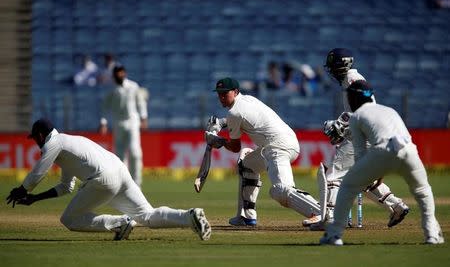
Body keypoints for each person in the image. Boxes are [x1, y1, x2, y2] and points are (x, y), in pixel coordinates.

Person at [6, 118, 211, 241]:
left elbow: (38, 172)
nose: (35, 143)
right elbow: (65, 187)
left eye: (34, 138)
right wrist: (34, 198)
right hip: (119, 171)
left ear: (41, 135)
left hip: (102, 179)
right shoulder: (66, 144)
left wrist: (23, 188)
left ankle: (120, 223)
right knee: (147, 215)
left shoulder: (55, 144)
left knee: (68, 219)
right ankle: (189, 216)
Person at [320, 81, 445, 245]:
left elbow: (360, 154)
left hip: (382, 151)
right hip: (409, 150)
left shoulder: (356, 117)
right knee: (422, 190)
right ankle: (432, 234)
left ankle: (334, 234)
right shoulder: (390, 110)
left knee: (347, 185)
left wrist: (369, 173)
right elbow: (403, 137)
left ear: (352, 99)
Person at [305, 48, 409, 230]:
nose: (330, 71)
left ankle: (330, 218)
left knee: (332, 176)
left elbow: (366, 108)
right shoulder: (349, 81)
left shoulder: (354, 80)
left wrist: (341, 123)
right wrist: (343, 123)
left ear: (340, 66)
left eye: (332, 67)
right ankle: (397, 206)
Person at [205, 77, 321, 226]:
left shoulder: (235, 112)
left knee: (280, 190)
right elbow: (239, 118)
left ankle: (321, 213)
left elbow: (235, 147)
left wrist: (218, 141)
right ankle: (247, 216)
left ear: (235, 92)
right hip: (282, 143)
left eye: (224, 93)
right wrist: (221, 123)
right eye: (219, 93)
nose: (221, 97)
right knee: (246, 165)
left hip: (278, 147)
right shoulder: (248, 100)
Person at [100, 65, 148, 187]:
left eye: (122, 73)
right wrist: (103, 123)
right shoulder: (112, 90)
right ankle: (122, 184)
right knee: (119, 155)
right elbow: (105, 108)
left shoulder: (133, 86)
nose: (120, 75)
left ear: (125, 73)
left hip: (133, 122)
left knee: (135, 152)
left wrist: (143, 118)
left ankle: (137, 183)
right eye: (117, 73)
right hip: (118, 123)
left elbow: (140, 102)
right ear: (114, 75)